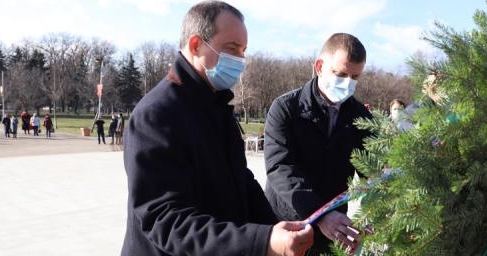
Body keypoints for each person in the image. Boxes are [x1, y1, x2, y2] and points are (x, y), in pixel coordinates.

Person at [121, 2, 314, 255]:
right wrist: (261, 241)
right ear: (195, 45)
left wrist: (274, 227)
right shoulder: (156, 115)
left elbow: (241, 180)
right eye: (231, 49)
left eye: (243, 51)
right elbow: (165, 220)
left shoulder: (218, 106)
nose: (240, 60)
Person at [264, 33, 373, 254]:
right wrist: (320, 214)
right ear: (320, 66)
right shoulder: (285, 109)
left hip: (333, 230)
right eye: (340, 74)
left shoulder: (362, 118)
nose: (347, 84)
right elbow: (280, 167)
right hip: (288, 222)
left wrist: (375, 214)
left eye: (355, 77)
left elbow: (373, 170)